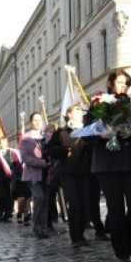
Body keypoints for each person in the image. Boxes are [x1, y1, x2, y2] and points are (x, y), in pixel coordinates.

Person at [92, 70, 131, 262]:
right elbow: (88, 133)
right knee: (115, 208)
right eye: (120, 82)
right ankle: (121, 251)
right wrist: (101, 134)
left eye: (126, 83)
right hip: (107, 164)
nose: (123, 86)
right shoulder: (99, 103)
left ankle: (129, 240)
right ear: (110, 84)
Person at [46, 105, 92, 248]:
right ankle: (75, 237)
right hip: (67, 172)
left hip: (84, 171)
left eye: (80, 110)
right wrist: (64, 151)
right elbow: (50, 150)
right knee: (74, 203)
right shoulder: (61, 132)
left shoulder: (87, 131)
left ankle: (82, 233)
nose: (80, 112)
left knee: (84, 203)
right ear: (69, 114)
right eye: (77, 110)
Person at [20, 111, 50, 239]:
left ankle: (43, 228)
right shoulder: (26, 138)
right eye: (35, 120)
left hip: (47, 174)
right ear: (30, 122)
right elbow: (25, 158)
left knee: (45, 202)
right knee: (39, 198)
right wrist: (43, 163)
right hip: (33, 174)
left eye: (40, 120)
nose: (38, 122)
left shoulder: (47, 136)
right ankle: (36, 227)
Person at [0, 136, 15, 223]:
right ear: (0, 143)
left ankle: (7, 215)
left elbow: (14, 165)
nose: (3, 144)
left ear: (7, 143)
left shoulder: (11, 152)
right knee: (1, 196)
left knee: (9, 197)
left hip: (9, 178)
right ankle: (0, 214)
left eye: (5, 142)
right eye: (2, 142)